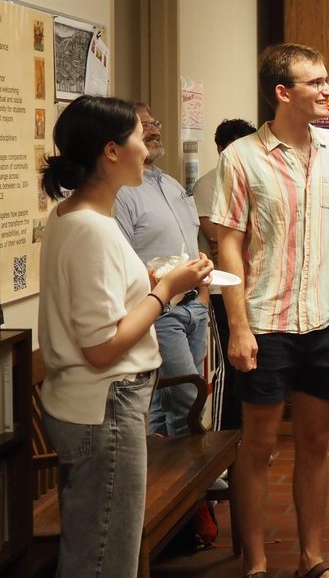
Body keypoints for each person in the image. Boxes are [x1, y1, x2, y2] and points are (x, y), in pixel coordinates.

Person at [211, 43, 329, 578]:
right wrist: (237, 324)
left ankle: (312, 558)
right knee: (256, 446)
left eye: (327, 80)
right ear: (283, 93)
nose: (328, 90)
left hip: (327, 320)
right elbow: (227, 245)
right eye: (317, 82)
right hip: (265, 323)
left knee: (316, 444)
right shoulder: (241, 157)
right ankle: (255, 563)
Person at [38, 96, 211, 578]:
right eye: (139, 136)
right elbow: (101, 347)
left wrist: (155, 279)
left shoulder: (72, 216)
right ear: (111, 151)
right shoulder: (92, 228)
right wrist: (165, 292)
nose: (146, 146)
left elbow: (106, 301)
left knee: (96, 545)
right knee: (105, 557)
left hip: (94, 405)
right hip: (105, 406)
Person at [114, 102, 209, 437]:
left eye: (155, 122)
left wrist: (203, 299)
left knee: (167, 402)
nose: (154, 130)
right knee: (188, 397)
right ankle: (201, 477)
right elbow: (121, 261)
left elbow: (191, 243)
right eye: (144, 126)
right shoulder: (121, 194)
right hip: (159, 311)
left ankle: (167, 475)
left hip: (194, 308)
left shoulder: (170, 184)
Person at [193, 117, 257, 430]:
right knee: (229, 368)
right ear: (221, 150)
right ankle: (225, 441)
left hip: (253, 286)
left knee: (253, 365)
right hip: (221, 291)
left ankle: (245, 437)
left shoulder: (253, 180)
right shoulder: (208, 184)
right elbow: (218, 237)